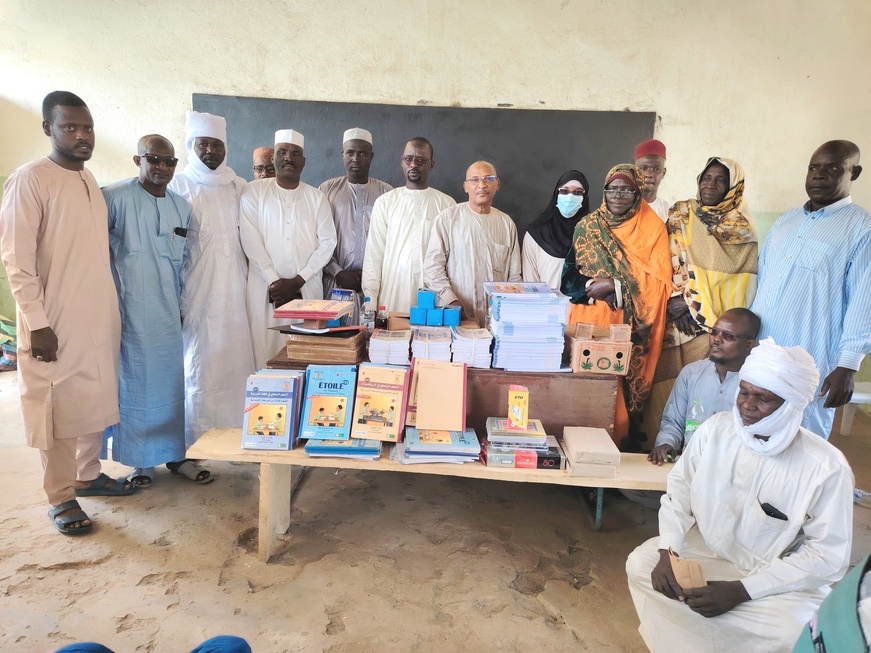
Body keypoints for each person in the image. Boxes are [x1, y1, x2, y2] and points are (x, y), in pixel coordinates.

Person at [626, 338, 854, 653]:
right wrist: (668, 552)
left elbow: (826, 556)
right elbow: (679, 490)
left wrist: (742, 591)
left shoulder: (825, 467)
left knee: (796, 629)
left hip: (774, 578)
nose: (747, 405)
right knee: (641, 564)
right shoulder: (715, 430)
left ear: (791, 404)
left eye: (763, 398)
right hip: (706, 554)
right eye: (744, 392)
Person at [0, 91, 132, 536]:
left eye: (87, 127)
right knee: (53, 409)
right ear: (48, 129)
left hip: (94, 317)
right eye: (70, 127)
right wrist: (37, 323)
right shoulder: (30, 179)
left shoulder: (88, 179)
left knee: (91, 399)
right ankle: (60, 496)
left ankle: (87, 474)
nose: (81, 136)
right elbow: (16, 260)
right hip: (51, 322)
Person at [102, 135, 210, 486]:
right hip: (129, 311)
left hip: (168, 311)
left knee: (171, 384)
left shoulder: (181, 206)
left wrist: (183, 305)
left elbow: (183, 264)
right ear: (138, 160)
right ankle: (140, 462)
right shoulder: (113, 198)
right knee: (135, 384)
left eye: (169, 161)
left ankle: (176, 455)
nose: (162, 168)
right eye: (154, 160)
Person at [751, 140, 871, 438]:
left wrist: (848, 365)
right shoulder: (786, 221)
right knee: (752, 429)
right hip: (763, 350)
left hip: (812, 356)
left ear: (853, 173)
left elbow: (863, 300)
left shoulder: (861, 228)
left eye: (832, 168)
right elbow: (763, 283)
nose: (819, 175)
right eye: (813, 168)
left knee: (802, 440)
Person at [646, 157, 758, 433]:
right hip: (674, 317)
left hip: (711, 326)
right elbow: (666, 258)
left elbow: (741, 280)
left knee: (703, 389)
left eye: (721, 180)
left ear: (734, 187)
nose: (711, 184)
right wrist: (678, 298)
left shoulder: (742, 229)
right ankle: (661, 442)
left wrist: (694, 307)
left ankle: (701, 445)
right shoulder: (681, 213)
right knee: (666, 385)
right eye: (706, 178)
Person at [561, 164, 671, 446]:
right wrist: (590, 286)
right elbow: (568, 280)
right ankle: (580, 450)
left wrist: (616, 285)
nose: (618, 195)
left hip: (629, 329)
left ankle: (612, 457)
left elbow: (660, 283)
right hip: (588, 323)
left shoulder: (653, 229)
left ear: (637, 192)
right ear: (604, 191)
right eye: (612, 188)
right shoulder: (588, 226)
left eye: (626, 189)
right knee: (585, 394)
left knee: (616, 400)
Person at [169, 111, 255, 446]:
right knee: (200, 367)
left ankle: (236, 434)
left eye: (217, 144)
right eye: (203, 144)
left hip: (236, 290)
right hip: (197, 291)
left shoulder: (239, 186)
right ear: (192, 145)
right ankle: (198, 440)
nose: (210, 151)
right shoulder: (178, 185)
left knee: (236, 364)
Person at [240, 129, 337, 368]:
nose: (288, 158)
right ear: (273, 158)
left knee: (305, 357)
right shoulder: (253, 193)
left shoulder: (317, 198)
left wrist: (297, 282)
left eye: (295, 154)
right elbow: (250, 241)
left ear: (303, 161)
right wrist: (276, 284)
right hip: (265, 293)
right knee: (265, 358)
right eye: (282, 152)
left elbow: (328, 242)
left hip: (306, 291)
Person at [650, 308, 760, 463]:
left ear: (749, 344)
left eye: (728, 336)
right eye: (714, 332)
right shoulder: (691, 373)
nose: (716, 339)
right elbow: (673, 423)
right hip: (688, 466)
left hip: (732, 470)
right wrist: (666, 444)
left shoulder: (756, 385)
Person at [362, 137, 456, 312]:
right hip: (393, 292)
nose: (414, 164)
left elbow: (452, 259)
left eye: (421, 160)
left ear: (431, 165)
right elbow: (374, 254)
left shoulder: (447, 205)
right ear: (402, 162)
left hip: (434, 294)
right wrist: (371, 300)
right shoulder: (386, 202)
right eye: (408, 159)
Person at [423, 161, 521, 325]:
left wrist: (506, 310)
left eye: (488, 179)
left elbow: (514, 276)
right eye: (475, 180)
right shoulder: (448, 219)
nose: (482, 185)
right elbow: (432, 267)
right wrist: (451, 302)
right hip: (455, 318)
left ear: (497, 184)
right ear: (465, 186)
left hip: (497, 321)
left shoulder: (506, 224)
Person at [319, 128, 392, 305]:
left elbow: (392, 240)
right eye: (350, 153)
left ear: (371, 156)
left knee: (373, 329)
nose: (356, 159)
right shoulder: (327, 190)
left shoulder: (387, 193)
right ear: (342, 154)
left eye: (362, 153)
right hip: (336, 281)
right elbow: (318, 237)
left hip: (376, 283)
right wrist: (338, 271)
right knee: (337, 330)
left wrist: (371, 274)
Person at [522, 170, 591, 289]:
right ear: (556, 193)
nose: (570, 197)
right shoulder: (537, 233)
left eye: (578, 193)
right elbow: (530, 282)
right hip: (545, 305)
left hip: (585, 306)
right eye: (564, 191)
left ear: (584, 197)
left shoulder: (593, 233)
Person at [634, 139, 670, 222]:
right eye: (643, 168)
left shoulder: (668, 211)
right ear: (635, 171)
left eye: (656, 169)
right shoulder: (622, 206)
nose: (649, 174)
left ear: (663, 173)